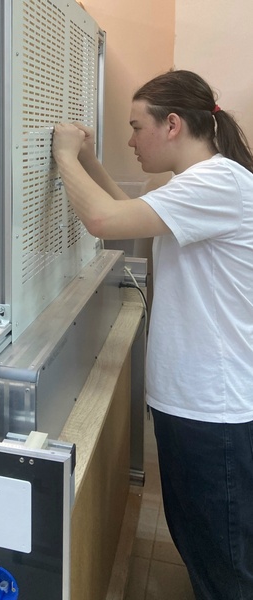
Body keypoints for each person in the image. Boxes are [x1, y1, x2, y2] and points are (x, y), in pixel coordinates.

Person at [52, 69, 253, 600]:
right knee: (202, 545)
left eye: (136, 126)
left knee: (226, 564)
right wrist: (89, 161)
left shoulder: (218, 183)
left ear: (172, 124)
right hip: (193, 403)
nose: (131, 140)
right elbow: (128, 215)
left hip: (215, 410)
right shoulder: (195, 185)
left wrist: (65, 155)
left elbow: (103, 221)